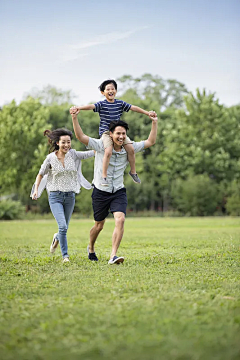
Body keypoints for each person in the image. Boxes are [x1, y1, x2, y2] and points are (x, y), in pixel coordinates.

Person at [70, 108, 158, 265]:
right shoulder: (100, 145)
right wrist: (75, 118)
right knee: (99, 225)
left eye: (124, 134)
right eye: (118, 133)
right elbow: (80, 136)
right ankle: (91, 247)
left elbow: (150, 142)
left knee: (120, 219)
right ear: (110, 134)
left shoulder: (128, 148)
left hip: (118, 191)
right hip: (100, 191)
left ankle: (113, 256)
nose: (121, 136)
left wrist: (154, 123)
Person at [70, 79, 156, 187]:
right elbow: (91, 106)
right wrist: (78, 108)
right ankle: (104, 176)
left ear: (116, 91)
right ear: (103, 92)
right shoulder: (102, 104)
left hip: (118, 131)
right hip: (106, 132)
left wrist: (147, 113)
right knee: (108, 151)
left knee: (131, 149)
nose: (111, 91)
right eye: (108, 89)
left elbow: (133, 108)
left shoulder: (120, 103)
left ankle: (133, 172)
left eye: (113, 89)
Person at [31, 128, 95, 263]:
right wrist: (36, 190)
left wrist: (102, 146)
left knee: (64, 226)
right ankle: (65, 256)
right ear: (58, 143)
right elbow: (40, 174)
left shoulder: (74, 155)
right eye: (64, 142)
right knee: (63, 227)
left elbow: (90, 153)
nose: (67, 145)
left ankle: (56, 238)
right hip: (55, 196)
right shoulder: (50, 158)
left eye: (69, 142)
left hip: (70, 196)